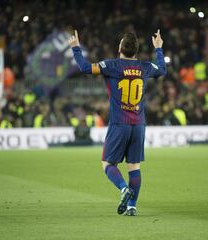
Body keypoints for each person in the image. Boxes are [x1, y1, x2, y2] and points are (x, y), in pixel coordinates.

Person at [68, 30, 166, 216]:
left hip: (119, 123)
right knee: (134, 167)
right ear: (136, 50)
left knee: (107, 164)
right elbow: (162, 70)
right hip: (138, 124)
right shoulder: (144, 67)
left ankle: (123, 189)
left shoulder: (111, 65)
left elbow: (85, 68)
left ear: (120, 48)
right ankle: (132, 207)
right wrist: (159, 49)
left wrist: (76, 49)